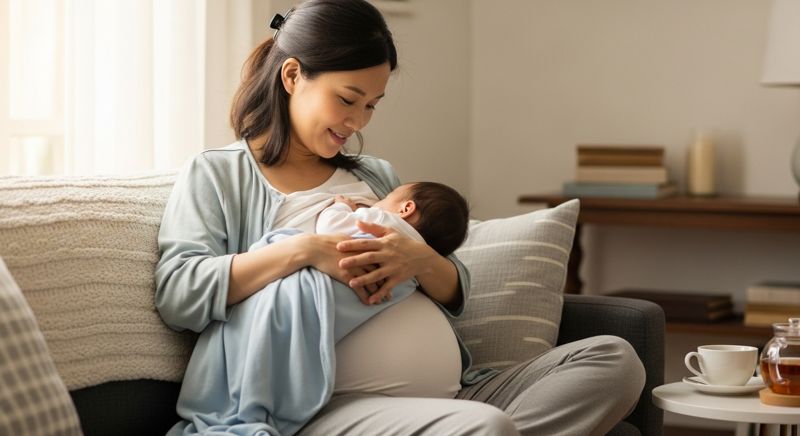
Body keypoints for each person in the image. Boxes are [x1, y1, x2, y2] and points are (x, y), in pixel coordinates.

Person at [154, 0, 646, 435]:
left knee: (616, 359)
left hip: (456, 395)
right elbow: (180, 293)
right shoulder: (220, 174)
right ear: (291, 77)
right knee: (488, 427)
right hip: (326, 406)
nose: (358, 122)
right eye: (347, 99)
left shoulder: (376, 175)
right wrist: (304, 250)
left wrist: (419, 257)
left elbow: (457, 294)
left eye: (371, 105)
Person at [316, 181, 470, 257]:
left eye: (387, 197)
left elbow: (327, 226)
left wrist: (343, 207)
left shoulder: (383, 218)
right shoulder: (417, 255)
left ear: (405, 209)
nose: (378, 202)